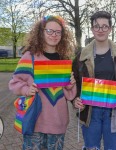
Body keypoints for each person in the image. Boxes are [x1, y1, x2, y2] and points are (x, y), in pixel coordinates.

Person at [72, 11, 116, 150]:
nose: (100, 30)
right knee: (91, 147)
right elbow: (75, 84)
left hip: (114, 111)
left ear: (110, 29)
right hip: (90, 112)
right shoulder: (80, 57)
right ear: (91, 29)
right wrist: (75, 99)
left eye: (104, 26)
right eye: (96, 26)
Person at [9, 15, 76, 149]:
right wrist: (26, 89)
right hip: (35, 122)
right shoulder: (30, 57)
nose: (54, 35)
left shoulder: (64, 59)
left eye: (58, 32)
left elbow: (69, 95)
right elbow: (14, 83)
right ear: (41, 32)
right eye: (49, 31)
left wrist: (71, 84)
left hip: (58, 122)